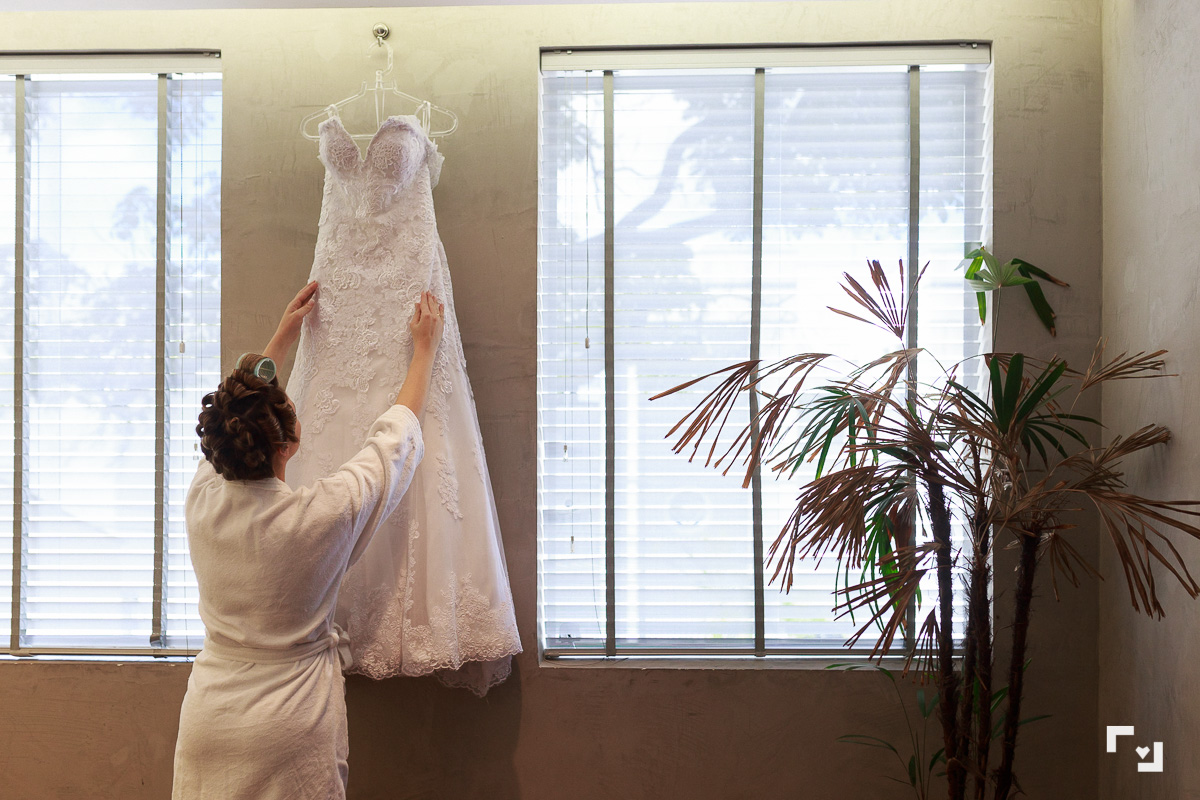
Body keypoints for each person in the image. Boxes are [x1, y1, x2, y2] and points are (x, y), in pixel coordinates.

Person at [171, 282, 445, 800]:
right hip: (290, 726)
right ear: (291, 441)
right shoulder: (320, 516)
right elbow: (393, 445)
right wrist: (425, 350)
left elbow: (240, 416)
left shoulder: (202, 498)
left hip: (210, 720)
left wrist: (281, 338)